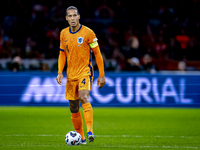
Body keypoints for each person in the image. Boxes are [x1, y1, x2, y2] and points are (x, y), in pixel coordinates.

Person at [56, 6, 106, 144]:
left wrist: (102, 75)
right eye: (69, 16)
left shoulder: (88, 32)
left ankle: (90, 131)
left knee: (84, 97)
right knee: (73, 106)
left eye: (74, 15)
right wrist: (60, 71)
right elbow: (62, 54)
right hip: (71, 75)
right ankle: (81, 138)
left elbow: (97, 54)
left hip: (85, 72)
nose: (72, 18)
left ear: (79, 16)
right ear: (66, 18)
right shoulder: (63, 33)